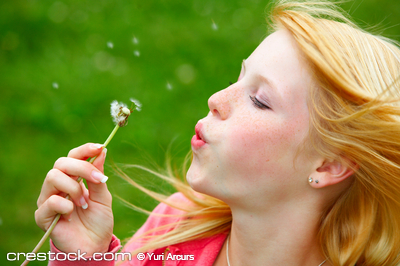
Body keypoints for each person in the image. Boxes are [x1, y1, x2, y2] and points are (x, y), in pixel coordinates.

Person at [35, 0, 400, 265]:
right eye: (235, 79)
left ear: (329, 165)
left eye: (259, 100)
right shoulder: (175, 228)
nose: (215, 99)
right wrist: (83, 255)